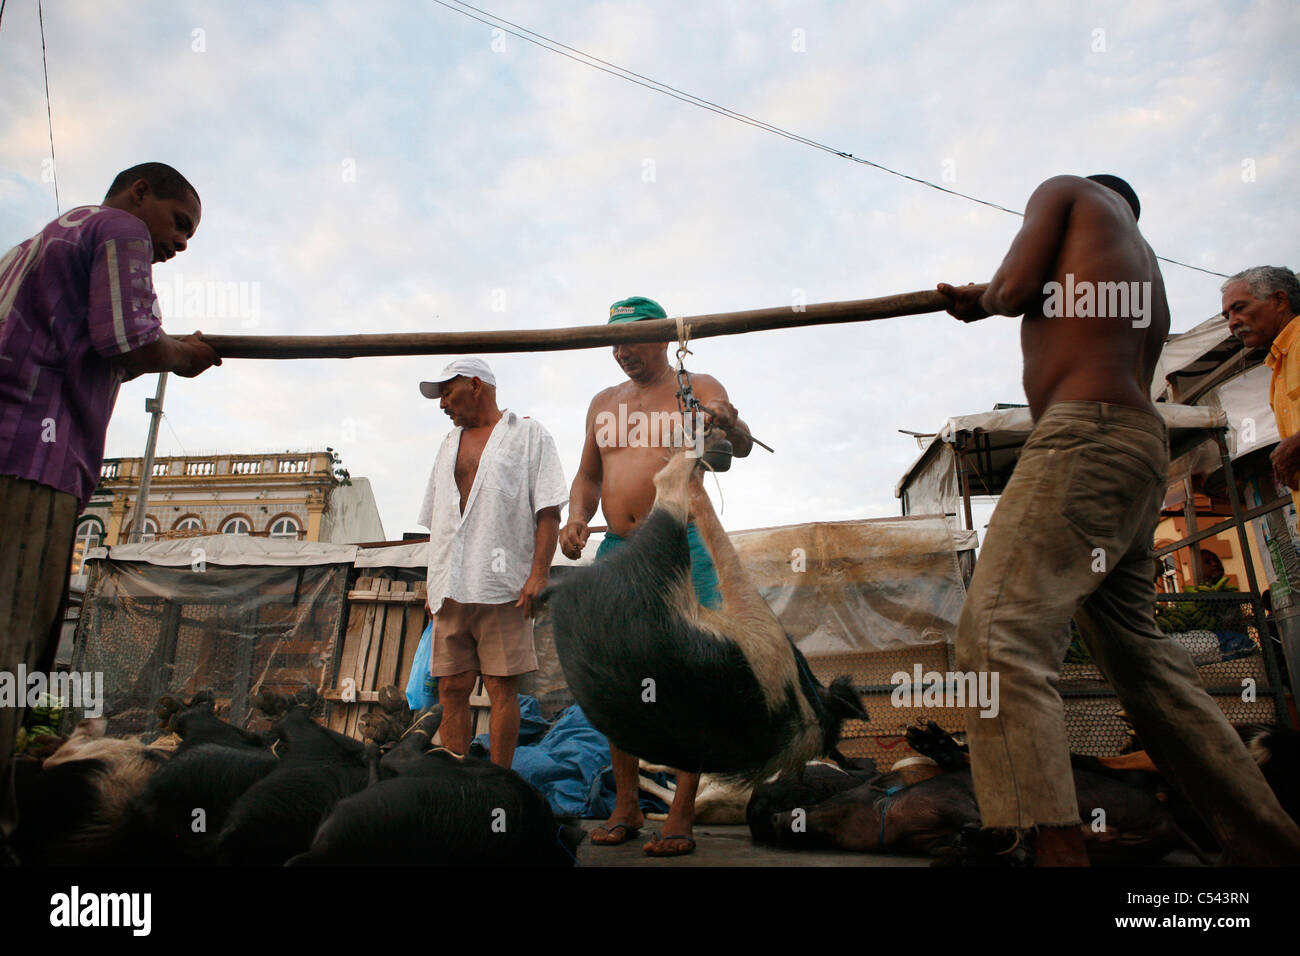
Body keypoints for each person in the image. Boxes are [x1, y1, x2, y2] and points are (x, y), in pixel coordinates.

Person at [938, 174, 1300, 865]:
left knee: (997, 634)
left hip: (1084, 438)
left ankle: (1053, 847)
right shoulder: (1142, 268)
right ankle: (1271, 847)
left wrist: (980, 299)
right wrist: (981, 302)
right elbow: (1029, 296)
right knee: (1145, 661)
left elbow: (1013, 290)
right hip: (1137, 448)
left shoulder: (1067, 191)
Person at [0, 162, 222, 859]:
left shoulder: (37, 245)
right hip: (31, 459)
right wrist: (176, 355)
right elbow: (127, 338)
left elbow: (96, 348)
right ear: (140, 194)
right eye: (179, 223)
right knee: (9, 648)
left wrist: (158, 352)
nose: (180, 244)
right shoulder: (119, 228)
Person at [559, 295, 753, 856]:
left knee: (690, 670)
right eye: (614, 343)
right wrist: (577, 518)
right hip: (620, 547)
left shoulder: (699, 384)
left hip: (683, 540)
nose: (622, 353)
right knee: (615, 674)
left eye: (634, 342)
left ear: (665, 338)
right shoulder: (603, 403)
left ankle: (681, 815)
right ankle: (627, 806)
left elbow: (736, 447)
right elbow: (588, 476)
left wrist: (727, 421)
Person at [416, 357, 566, 769]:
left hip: (504, 585)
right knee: (451, 687)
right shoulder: (448, 444)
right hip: (451, 586)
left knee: (502, 687)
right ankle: (460, 784)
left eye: (448, 392)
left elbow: (549, 511)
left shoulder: (529, 435)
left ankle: (498, 784)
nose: (443, 404)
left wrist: (539, 574)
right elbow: (438, 521)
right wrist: (433, 581)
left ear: (476, 385)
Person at [1221, 265, 1300, 508]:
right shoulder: (1278, 363)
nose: (1232, 324)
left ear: (1279, 300)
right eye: (1227, 317)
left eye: (1239, 308)